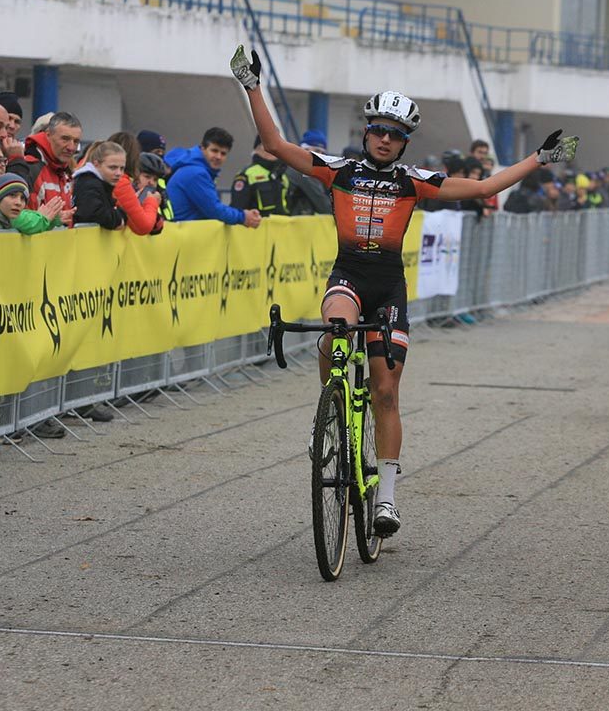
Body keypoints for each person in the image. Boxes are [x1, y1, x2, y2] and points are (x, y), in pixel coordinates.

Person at [231, 44, 578, 536]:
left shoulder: (414, 182)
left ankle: (387, 499)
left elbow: (483, 188)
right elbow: (277, 144)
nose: (386, 140)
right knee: (335, 329)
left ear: (404, 142)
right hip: (349, 276)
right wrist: (251, 85)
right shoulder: (338, 170)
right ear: (367, 131)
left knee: (387, 392)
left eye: (396, 135)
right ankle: (325, 412)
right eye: (378, 130)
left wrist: (539, 159)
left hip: (389, 287)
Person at [164, 127, 260, 228]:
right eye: (214, 151)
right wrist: (243, 216)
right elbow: (214, 210)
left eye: (223, 153)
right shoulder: (196, 173)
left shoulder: (196, 169)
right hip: (183, 237)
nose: (218, 157)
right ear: (202, 148)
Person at [73, 141, 162, 235]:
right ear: (96, 164)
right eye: (112, 168)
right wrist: (120, 217)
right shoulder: (89, 183)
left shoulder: (103, 182)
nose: (118, 173)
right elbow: (94, 213)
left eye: (122, 168)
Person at [8, 111, 81, 217]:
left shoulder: (64, 171)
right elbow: (18, 218)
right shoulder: (30, 169)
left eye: (76, 141)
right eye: (65, 139)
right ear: (48, 135)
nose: (71, 147)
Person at [231, 135, 288, 216]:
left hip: (282, 226)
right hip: (257, 227)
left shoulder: (282, 175)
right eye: (268, 145)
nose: (273, 149)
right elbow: (237, 209)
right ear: (257, 149)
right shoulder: (246, 175)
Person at [284, 129, 333, 215]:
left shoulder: (292, 165)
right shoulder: (301, 171)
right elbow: (323, 205)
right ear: (305, 149)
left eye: (323, 153)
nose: (320, 156)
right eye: (317, 151)